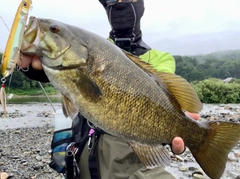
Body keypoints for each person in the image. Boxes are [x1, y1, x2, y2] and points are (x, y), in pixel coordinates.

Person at [17, 0, 199, 178]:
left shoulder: (161, 58)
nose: (120, 3)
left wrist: (186, 132)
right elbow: (70, 75)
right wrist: (34, 69)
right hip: (84, 154)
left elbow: (161, 99)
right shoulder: (92, 46)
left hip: (129, 162)